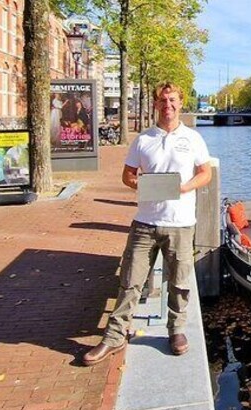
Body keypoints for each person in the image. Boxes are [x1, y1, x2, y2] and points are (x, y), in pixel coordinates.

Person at [83, 82, 212, 365]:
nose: (168, 105)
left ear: (181, 103)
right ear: (155, 104)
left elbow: (205, 173)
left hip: (180, 222)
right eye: (163, 100)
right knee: (130, 280)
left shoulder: (193, 138)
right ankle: (115, 336)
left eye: (173, 100)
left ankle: (176, 330)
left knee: (179, 282)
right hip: (145, 222)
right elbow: (127, 175)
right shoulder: (143, 139)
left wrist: (185, 187)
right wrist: (140, 184)